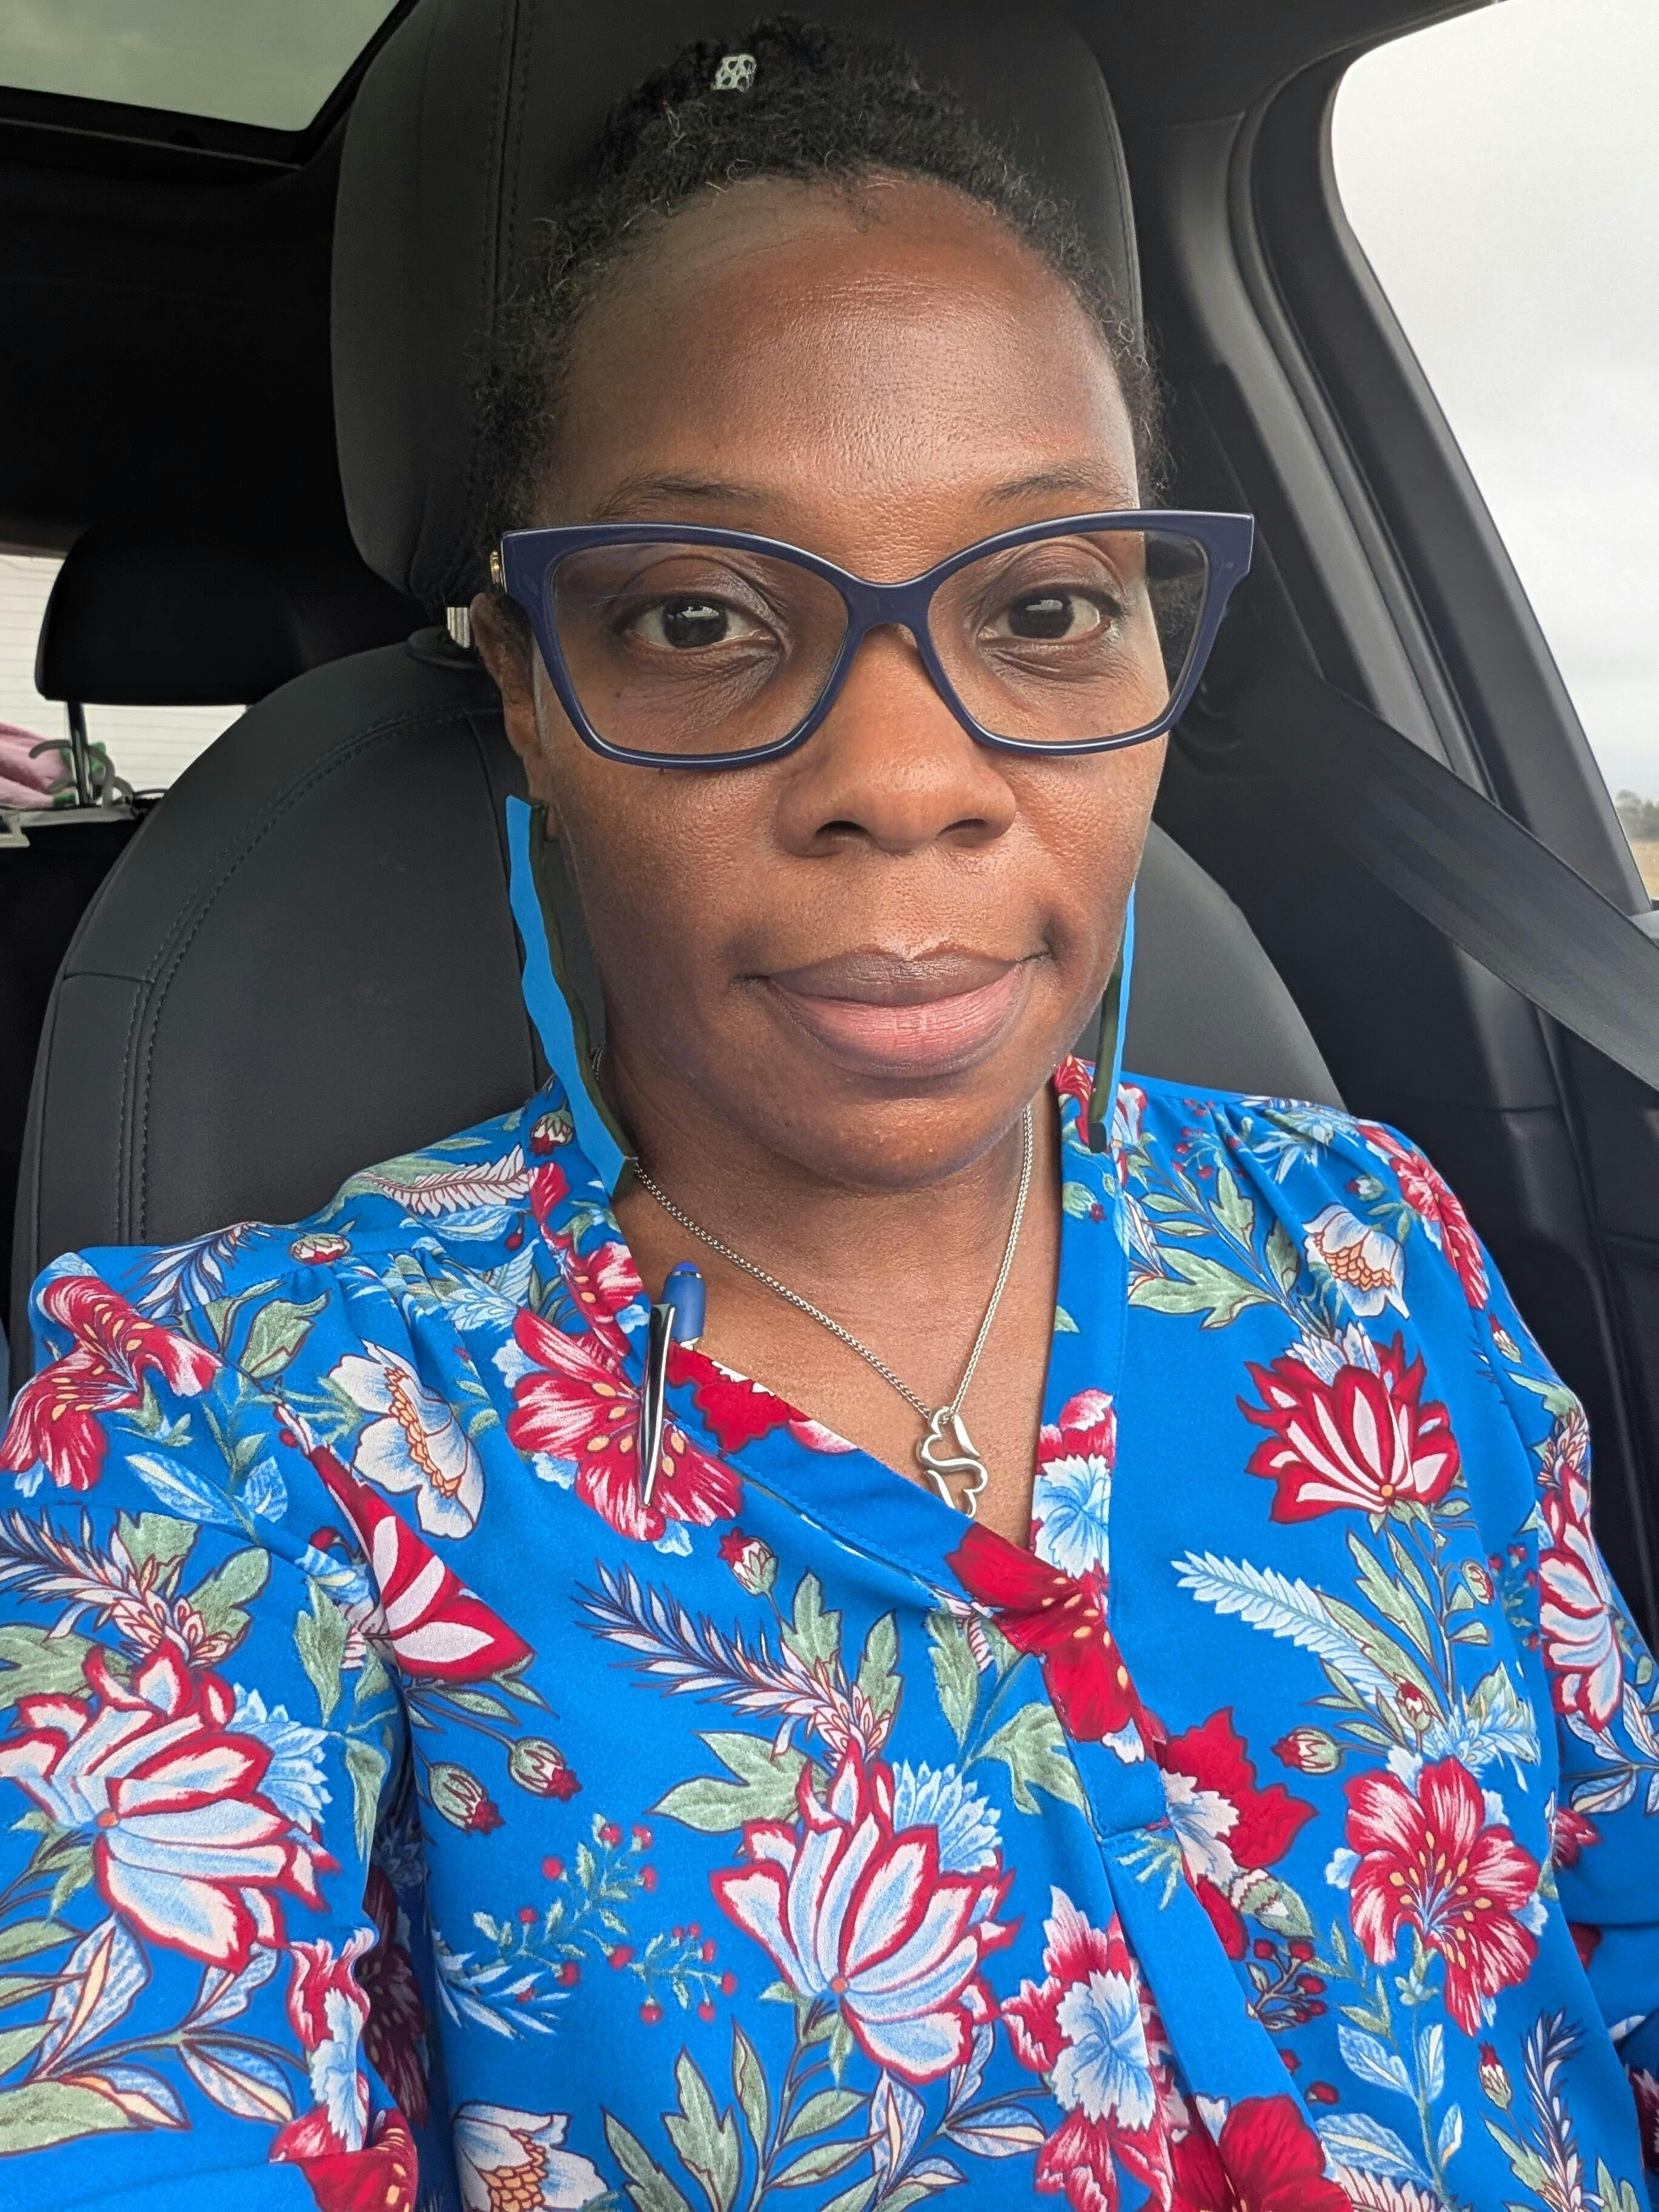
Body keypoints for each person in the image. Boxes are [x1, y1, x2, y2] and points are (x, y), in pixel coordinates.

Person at [0, 21, 1653, 2210]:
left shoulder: (1371, 1247)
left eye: (1046, 608)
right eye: (702, 617)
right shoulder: (227, 1424)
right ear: (528, 689)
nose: (906, 777)